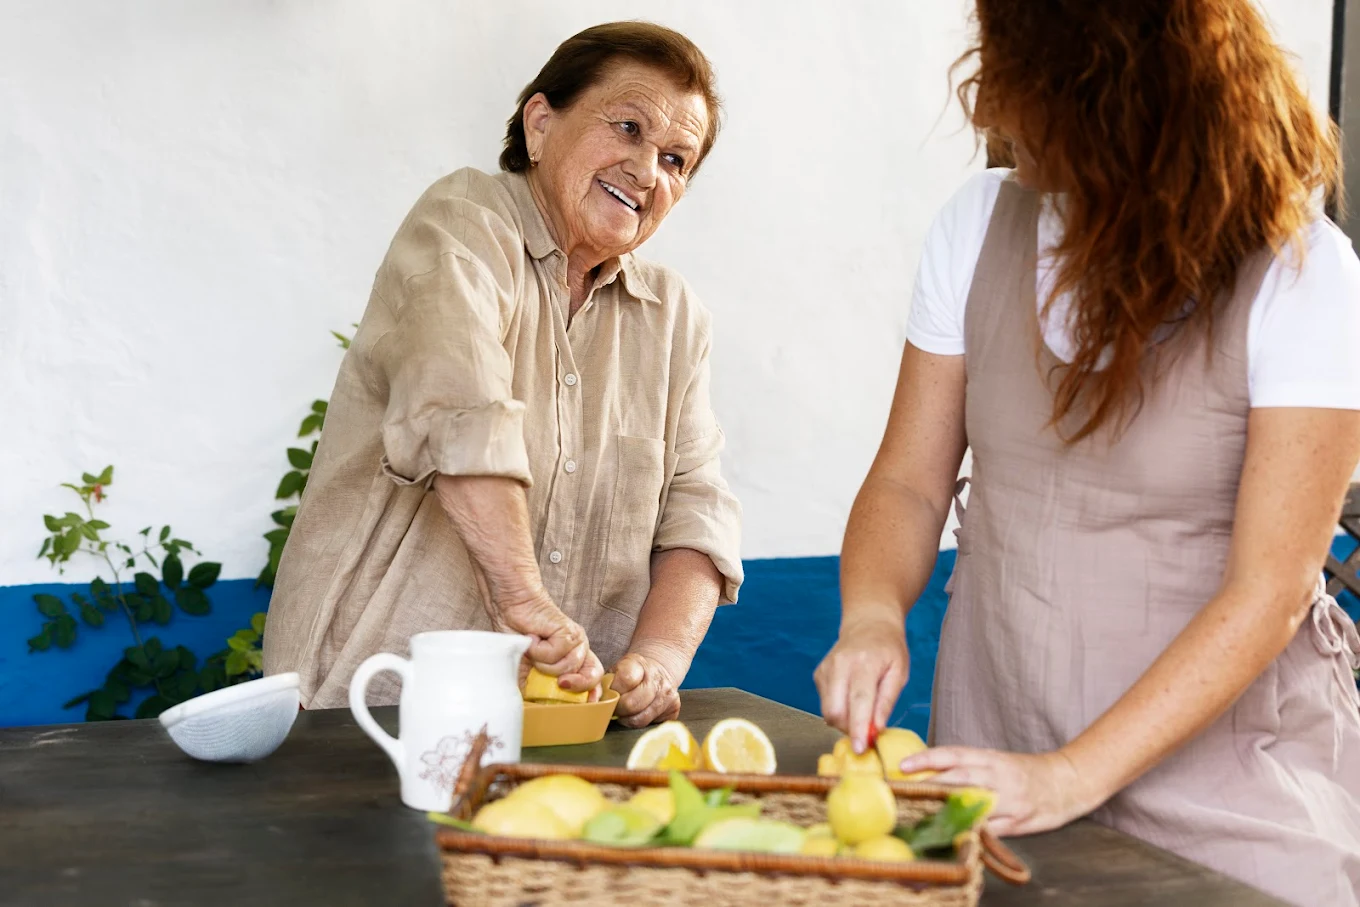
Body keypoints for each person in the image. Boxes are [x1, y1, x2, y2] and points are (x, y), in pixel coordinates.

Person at [815, 1, 1360, 903]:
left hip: (1228, 796)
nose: (986, 107)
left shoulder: (1304, 275)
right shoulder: (974, 225)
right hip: (1005, 763)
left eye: (1010, 72)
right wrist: (872, 612)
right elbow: (910, 483)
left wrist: (1072, 774)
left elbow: (1272, 590)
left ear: (1111, 90)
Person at [262, 22, 742, 729]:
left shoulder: (676, 318)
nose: (647, 170)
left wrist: (658, 660)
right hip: (368, 699)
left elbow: (698, 513)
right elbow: (462, 408)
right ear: (541, 123)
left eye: (676, 158)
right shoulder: (464, 223)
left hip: (553, 725)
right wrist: (522, 597)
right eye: (628, 128)